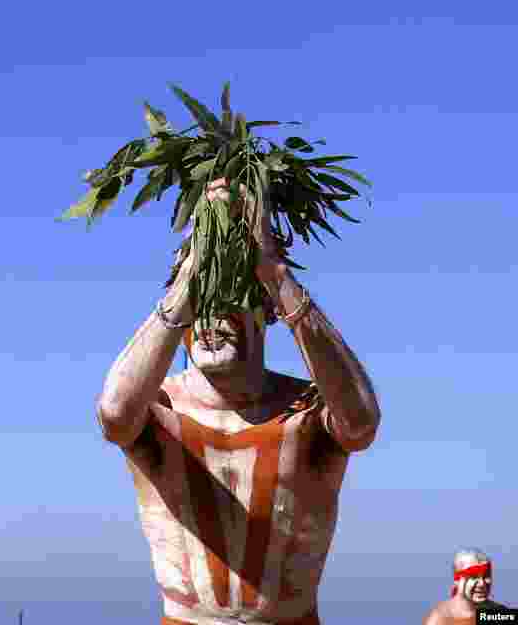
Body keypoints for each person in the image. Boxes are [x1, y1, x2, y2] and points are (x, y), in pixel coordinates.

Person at [95, 178, 381, 624]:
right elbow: (113, 415)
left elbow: (362, 423)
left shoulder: (307, 412)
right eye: (200, 302)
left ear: (265, 310)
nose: (211, 318)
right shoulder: (159, 408)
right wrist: (188, 276)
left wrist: (275, 272)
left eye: (229, 296)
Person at [422, 549, 508, 624]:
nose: (482, 583)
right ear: (457, 581)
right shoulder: (440, 619)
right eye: (473, 577)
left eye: (486, 576)